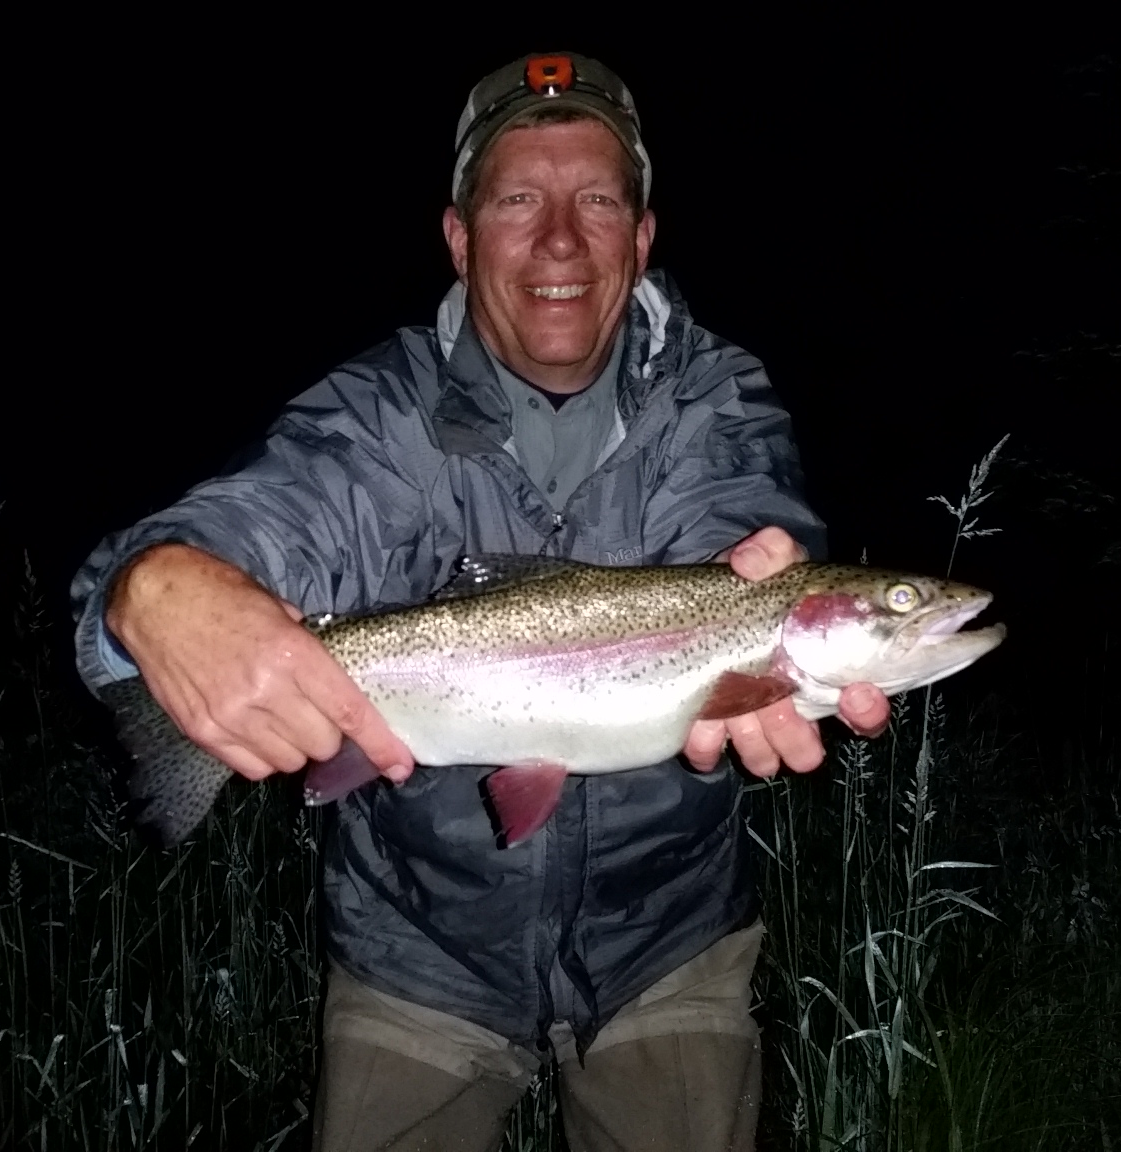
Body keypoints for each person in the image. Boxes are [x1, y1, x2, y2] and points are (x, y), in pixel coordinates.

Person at [70, 51, 888, 1152]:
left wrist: (752, 581)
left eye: (596, 199)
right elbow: (258, 518)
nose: (559, 239)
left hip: (669, 938)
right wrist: (151, 585)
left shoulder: (718, 395)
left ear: (642, 239)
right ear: (458, 240)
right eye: (516, 200)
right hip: (413, 946)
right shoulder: (369, 418)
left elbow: (735, 519)